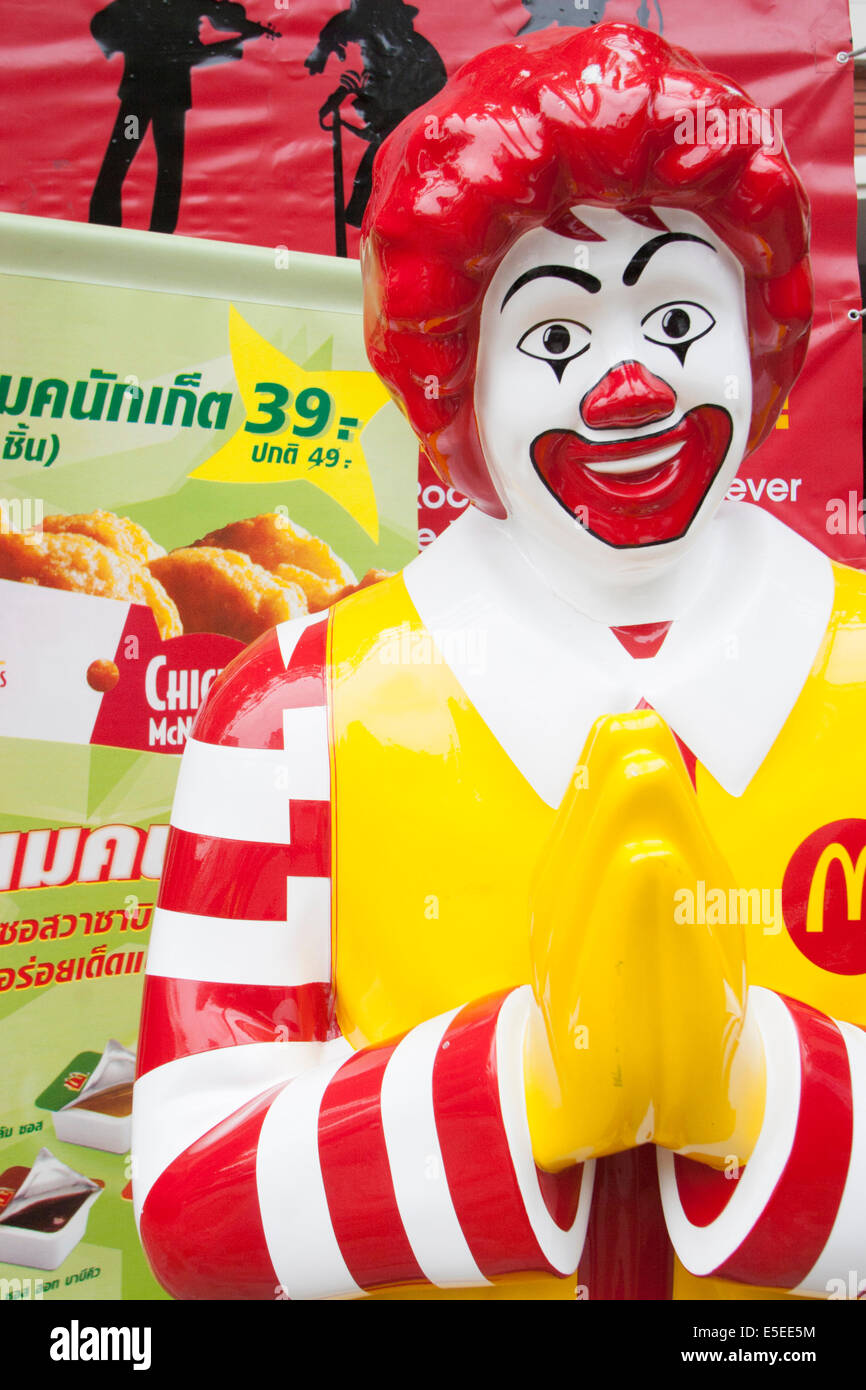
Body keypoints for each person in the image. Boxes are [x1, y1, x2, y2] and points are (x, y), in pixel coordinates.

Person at [132, 23, 866, 1299]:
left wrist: (756, 1086)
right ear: (454, 379)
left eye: (678, 314)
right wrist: (525, 1080)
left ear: (756, 331)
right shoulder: (290, 714)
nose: (628, 384)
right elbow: (192, 1200)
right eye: (555, 338)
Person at [89, 0, 275, 233]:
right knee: (161, 167)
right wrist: (240, 38)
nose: (199, 24)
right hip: (159, 103)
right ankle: (154, 234)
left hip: (144, 101)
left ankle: (107, 230)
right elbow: (194, 54)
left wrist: (239, 37)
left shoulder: (157, 11)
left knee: (132, 161)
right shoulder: (169, 13)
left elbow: (191, 52)